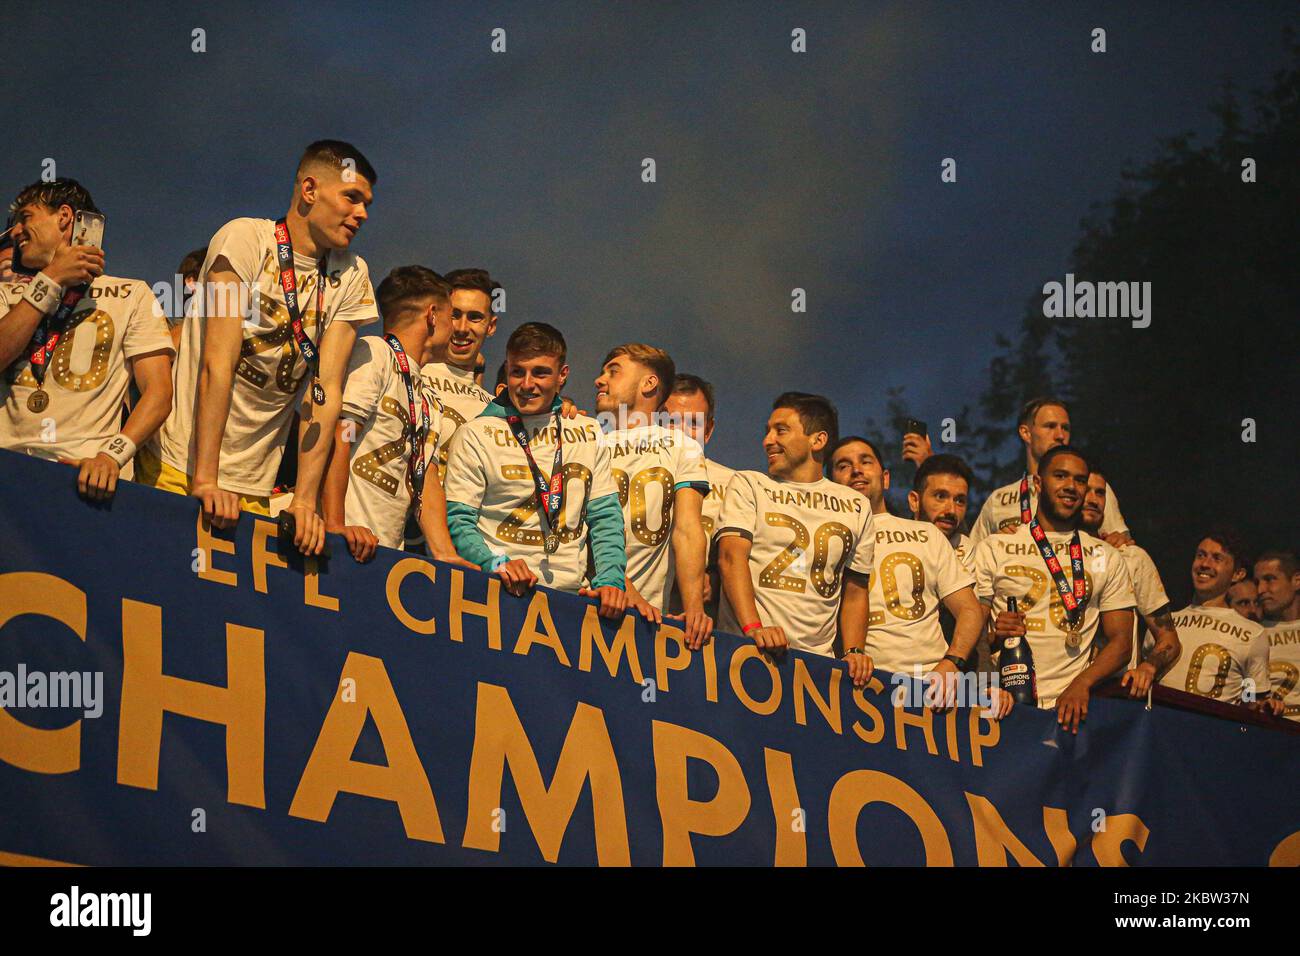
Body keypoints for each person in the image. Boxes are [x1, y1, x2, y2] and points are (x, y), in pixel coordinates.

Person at [145, 140, 379, 556]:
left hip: (254, 479)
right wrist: (205, 479)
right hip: (180, 463)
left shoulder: (352, 273)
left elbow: (325, 394)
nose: (361, 214)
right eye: (352, 198)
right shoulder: (245, 238)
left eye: (367, 204)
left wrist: (305, 500)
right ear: (310, 190)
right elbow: (218, 362)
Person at [0, 178, 173, 500]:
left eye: (26, 217)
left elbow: (159, 392)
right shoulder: (6, 294)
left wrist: (112, 456)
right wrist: (50, 280)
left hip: (87, 480)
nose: (15, 231)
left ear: (64, 216)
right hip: (9, 475)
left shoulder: (132, 294)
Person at [443, 322, 627, 618]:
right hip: (497, 594)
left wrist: (610, 582)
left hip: (571, 603)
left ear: (562, 375)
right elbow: (459, 520)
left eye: (540, 373)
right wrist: (497, 563)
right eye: (518, 372)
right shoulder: (475, 433)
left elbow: (605, 518)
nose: (527, 384)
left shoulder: (588, 431)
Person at [829, 436, 1007, 716]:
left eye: (866, 461)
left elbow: (970, 611)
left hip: (933, 691)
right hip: (865, 690)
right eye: (843, 465)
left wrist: (953, 664)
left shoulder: (927, 534)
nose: (857, 470)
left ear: (885, 478)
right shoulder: (824, 541)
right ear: (829, 484)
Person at [714, 393, 874, 688]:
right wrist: (754, 629)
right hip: (746, 654)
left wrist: (853, 651)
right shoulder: (749, 484)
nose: (768, 440)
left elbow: (855, 589)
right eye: (767, 431)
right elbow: (730, 558)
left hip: (816, 668)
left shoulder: (857, 505)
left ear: (818, 440)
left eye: (781, 430)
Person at [972, 445, 1137, 731]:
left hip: (1069, 713)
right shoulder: (995, 547)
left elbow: (1122, 643)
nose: (1071, 487)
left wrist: (1082, 684)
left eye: (1080, 480)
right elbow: (969, 631)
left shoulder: (1105, 556)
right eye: (1060, 476)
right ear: (1037, 483)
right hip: (1002, 706)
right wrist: (995, 636)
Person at [321, 266, 463, 563]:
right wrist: (336, 524)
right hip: (344, 541)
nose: (457, 328)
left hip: (385, 555)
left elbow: (427, 480)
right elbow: (342, 432)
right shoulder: (375, 354)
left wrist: (446, 555)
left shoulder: (429, 399)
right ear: (432, 315)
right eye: (453, 316)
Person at [593, 344, 712, 649]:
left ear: (649, 383)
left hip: (645, 621)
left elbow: (687, 529)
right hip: (581, 602)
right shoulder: (585, 437)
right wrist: (622, 586)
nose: (599, 379)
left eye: (613, 371)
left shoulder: (683, 446)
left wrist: (694, 608)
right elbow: (579, 524)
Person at [968, 397, 1130, 547]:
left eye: (1065, 428)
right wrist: (996, 543)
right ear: (1026, 433)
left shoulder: (1090, 486)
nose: (1060, 436)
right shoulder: (998, 499)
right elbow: (974, 558)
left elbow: (1121, 543)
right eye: (1050, 426)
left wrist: (1119, 541)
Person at [1079, 468, 1180, 697]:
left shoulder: (1132, 558)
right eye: (1087, 491)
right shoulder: (1044, 555)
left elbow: (1169, 639)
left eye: (1100, 493)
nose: (1093, 500)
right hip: (1057, 687)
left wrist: (1148, 667)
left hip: (1115, 695)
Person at [1161, 531, 1274, 710]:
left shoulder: (1253, 634)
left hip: (1213, 734)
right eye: (1201, 555)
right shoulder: (1164, 623)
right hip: (1160, 730)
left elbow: (1249, 697)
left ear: (1237, 574)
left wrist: (1260, 704)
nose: (1205, 564)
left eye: (1217, 558)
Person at [908, 453, 975, 571]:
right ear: (915, 501)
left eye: (960, 501)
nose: (952, 510)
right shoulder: (886, 542)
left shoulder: (969, 550)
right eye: (940, 496)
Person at [1255, 550, 1300, 720]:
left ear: (1297, 581)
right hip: (1273, 734)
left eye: (1269, 579)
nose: (1260, 590)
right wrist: (1257, 704)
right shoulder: (1253, 634)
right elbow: (1243, 690)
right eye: (1257, 582)